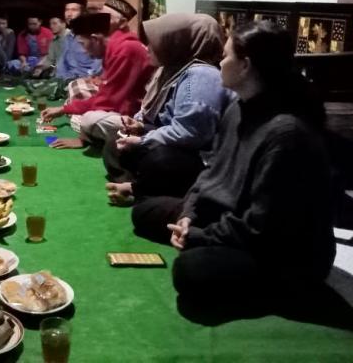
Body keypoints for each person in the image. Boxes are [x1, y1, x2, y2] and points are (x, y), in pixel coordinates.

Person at [136, 22, 335, 318]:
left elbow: (264, 226)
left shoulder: (287, 133)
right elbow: (210, 171)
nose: (219, 63)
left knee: (190, 271)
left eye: (226, 56)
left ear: (245, 66)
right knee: (144, 212)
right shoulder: (238, 107)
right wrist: (190, 214)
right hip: (229, 214)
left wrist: (200, 236)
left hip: (281, 251)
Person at [106, 13, 231, 207]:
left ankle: (142, 189)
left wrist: (143, 140)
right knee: (114, 142)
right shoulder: (173, 69)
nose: (148, 47)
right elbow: (157, 115)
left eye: (156, 42)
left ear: (177, 43)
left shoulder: (201, 75)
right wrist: (139, 125)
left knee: (158, 160)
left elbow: (191, 134)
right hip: (174, 144)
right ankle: (142, 185)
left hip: (200, 158)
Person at [42, 1, 152, 150]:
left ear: (94, 39)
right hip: (123, 107)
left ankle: (100, 136)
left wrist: (83, 136)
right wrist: (64, 109)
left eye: (82, 44)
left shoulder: (125, 48)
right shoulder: (114, 45)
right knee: (76, 87)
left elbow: (108, 101)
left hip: (139, 120)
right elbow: (107, 92)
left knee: (87, 120)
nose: (101, 20)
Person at [55, 0, 102, 83]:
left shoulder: (91, 36)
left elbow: (99, 63)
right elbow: (62, 64)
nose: (69, 14)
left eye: (74, 10)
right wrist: (62, 80)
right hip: (67, 80)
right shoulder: (68, 37)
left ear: (83, 13)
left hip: (87, 81)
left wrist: (89, 78)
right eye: (67, 10)